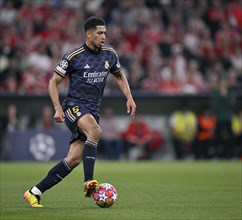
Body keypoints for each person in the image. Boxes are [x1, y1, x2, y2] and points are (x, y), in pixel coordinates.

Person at [24, 16, 136, 208]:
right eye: (100, 33)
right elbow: (53, 82)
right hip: (73, 106)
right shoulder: (73, 56)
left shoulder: (109, 54)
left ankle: (34, 192)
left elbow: (119, 76)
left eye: (105, 33)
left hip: (92, 110)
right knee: (96, 131)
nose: (103, 36)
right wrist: (58, 108)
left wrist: (129, 97)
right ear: (89, 34)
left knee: (74, 159)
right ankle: (88, 181)